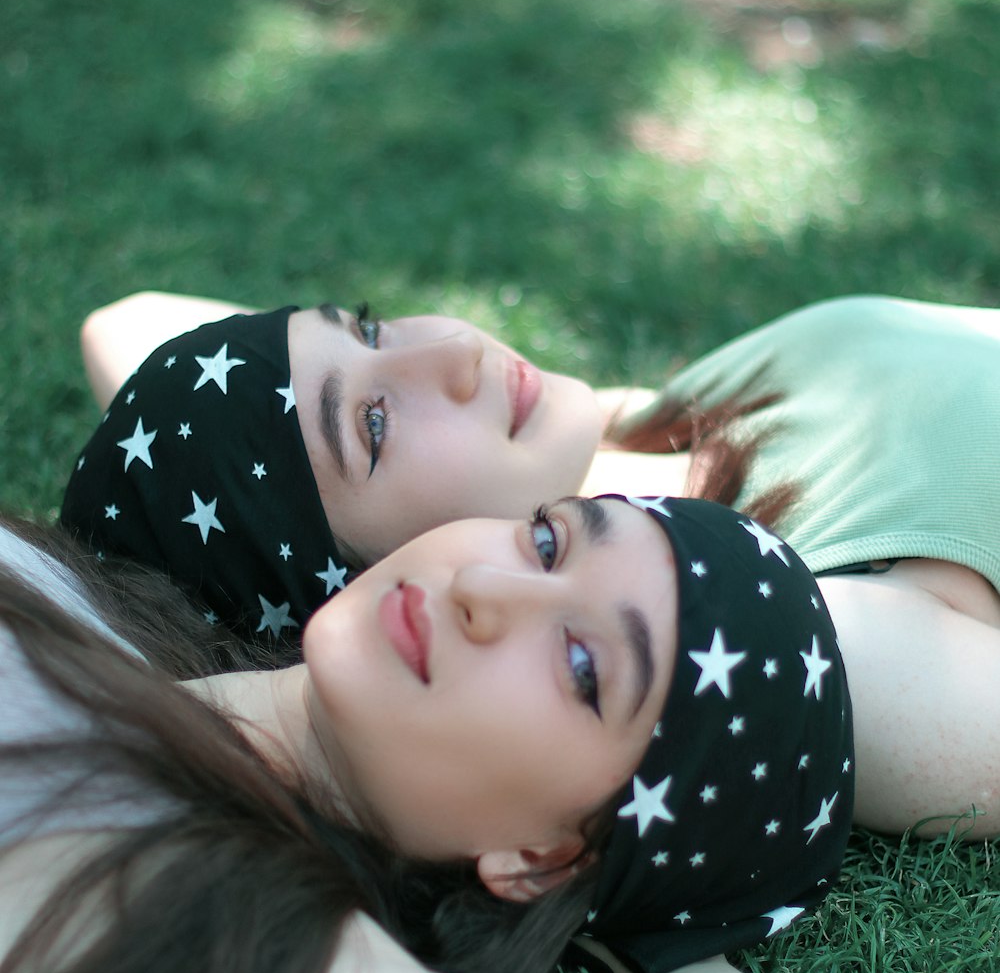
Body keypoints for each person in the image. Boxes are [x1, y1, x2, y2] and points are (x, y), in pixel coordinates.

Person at [0, 497, 926, 973]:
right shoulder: (95, 603)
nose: (485, 592)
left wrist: (665, 941)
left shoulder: (226, 930)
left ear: (542, 857)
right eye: (549, 542)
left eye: (582, 669)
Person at [66, 291, 1000, 841]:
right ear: (388, 593)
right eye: (376, 427)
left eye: (371, 325)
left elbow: (130, 317)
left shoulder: (624, 443)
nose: (458, 348)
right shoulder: (809, 636)